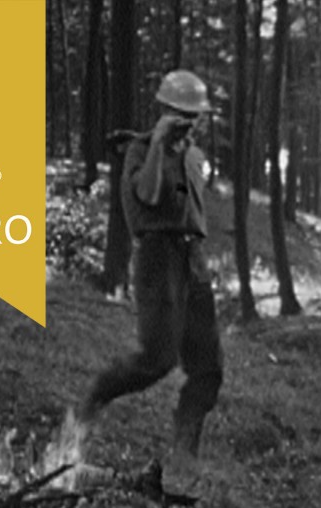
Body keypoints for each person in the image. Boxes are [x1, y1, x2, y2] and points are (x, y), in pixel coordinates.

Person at [77, 70, 224, 457]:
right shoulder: (139, 153)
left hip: (193, 259)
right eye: (182, 114)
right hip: (158, 260)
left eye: (195, 116)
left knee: (208, 367)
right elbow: (148, 194)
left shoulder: (193, 157)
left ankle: (184, 447)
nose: (190, 123)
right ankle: (96, 395)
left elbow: (190, 205)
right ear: (164, 110)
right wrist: (157, 142)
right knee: (157, 359)